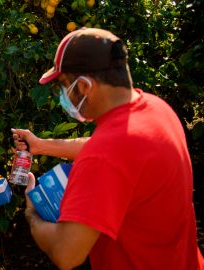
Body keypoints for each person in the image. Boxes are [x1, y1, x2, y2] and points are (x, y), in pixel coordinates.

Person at [12, 28, 204, 269]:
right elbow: (107, 149)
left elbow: (66, 254)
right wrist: (41, 146)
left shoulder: (106, 154)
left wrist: (32, 214)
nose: (64, 95)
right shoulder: (156, 109)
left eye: (64, 84)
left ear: (83, 86)